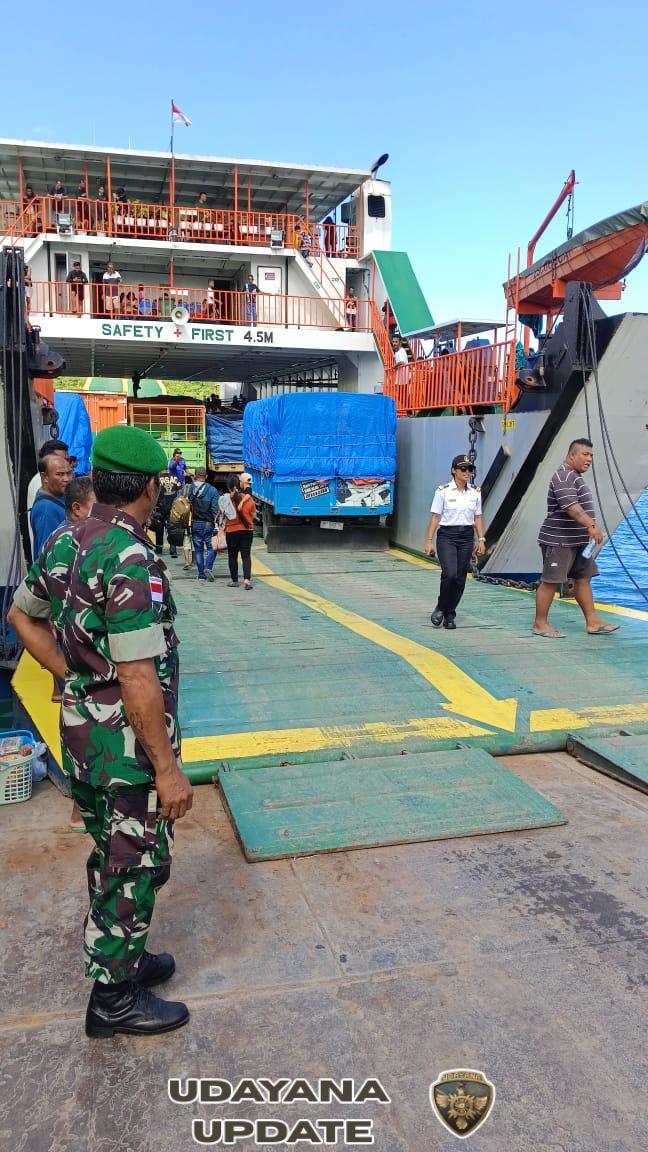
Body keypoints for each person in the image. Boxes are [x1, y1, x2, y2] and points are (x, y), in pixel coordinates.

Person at [8, 425, 193, 1038]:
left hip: (83, 740)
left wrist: (74, 675)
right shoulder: (131, 556)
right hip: (126, 752)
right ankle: (113, 1000)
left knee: (118, 854)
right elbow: (138, 675)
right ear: (146, 486)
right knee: (131, 864)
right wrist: (166, 768)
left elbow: (20, 616)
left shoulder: (67, 537)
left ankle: (128, 959)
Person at [532, 438, 618, 638]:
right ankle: (540, 624)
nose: (589, 459)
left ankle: (593, 622)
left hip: (578, 542)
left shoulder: (575, 476)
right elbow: (571, 506)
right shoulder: (563, 477)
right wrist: (591, 525)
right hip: (559, 540)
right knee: (550, 582)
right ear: (572, 455)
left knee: (583, 579)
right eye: (585, 455)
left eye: (591, 456)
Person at [424, 454, 485, 629]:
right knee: (449, 574)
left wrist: (481, 539)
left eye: (470, 469)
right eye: (463, 469)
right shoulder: (442, 491)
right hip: (447, 536)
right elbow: (435, 517)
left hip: (466, 536)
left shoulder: (475, 493)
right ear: (454, 471)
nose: (467, 472)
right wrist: (429, 541)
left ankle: (450, 614)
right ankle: (441, 607)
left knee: (460, 578)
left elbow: (478, 517)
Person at [27, 439, 69, 555]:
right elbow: (47, 554)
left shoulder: (57, 492)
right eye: (60, 474)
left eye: (67, 460)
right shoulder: (46, 508)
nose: (66, 478)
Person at [224, 472, 255, 590]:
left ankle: (234, 580)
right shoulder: (248, 499)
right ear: (239, 485)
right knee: (246, 556)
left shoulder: (225, 499)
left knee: (232, 556)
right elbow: (253, 514)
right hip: (247, 531)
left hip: (231, 531)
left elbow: (221, 515)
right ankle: (247, 580)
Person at [186, 467, 219, 581]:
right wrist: (218, 524)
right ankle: (208, 568)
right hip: (209, 524)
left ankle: (201, 575)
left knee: (198, 550)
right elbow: (215, 511)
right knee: (212, 548)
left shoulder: (190, 488)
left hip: (195, 522)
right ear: (206, 476)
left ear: (195, 476)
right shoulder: (213, 490)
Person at [153, 468, 181, 556]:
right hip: (172, 507)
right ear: (168, 470)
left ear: (161, 470)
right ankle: (173, 549)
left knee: (159, 528)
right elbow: (179, 488)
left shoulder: (157, 479)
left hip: (159, 508)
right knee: (172, 529)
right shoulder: (175, 478)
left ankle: (159, 549)